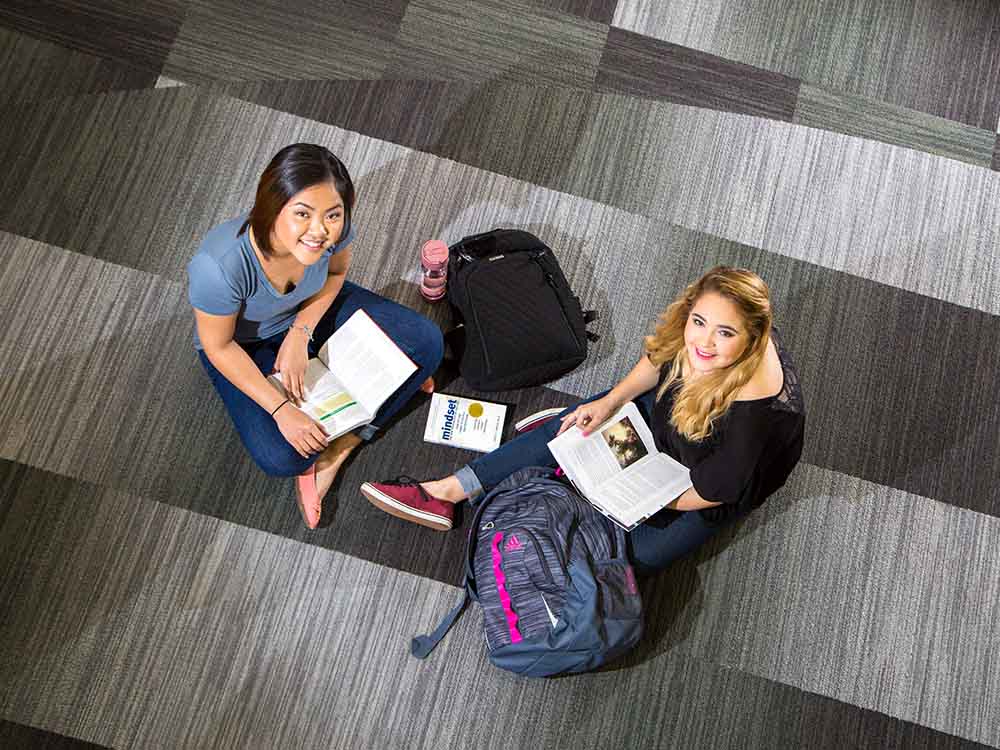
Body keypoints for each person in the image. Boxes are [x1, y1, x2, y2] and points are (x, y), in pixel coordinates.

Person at [360, 266, 804, 573]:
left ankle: (569, 485)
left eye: (724, 334)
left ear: (751, 339)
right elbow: (657, 360)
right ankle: (445, 493)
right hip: (662, 419)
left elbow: (711, 491)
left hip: (693, 483)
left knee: (625, 559)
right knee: (580, 424)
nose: (704, 342)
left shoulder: (755, 416)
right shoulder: (696, 336)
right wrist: (610, 402)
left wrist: (648, 496)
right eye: (699, 322)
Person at [188, 143, 443, 529]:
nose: (320, 231)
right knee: (282, 457)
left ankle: (340, 448)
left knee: (427, 341)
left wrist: (299, 333)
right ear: (272, 205)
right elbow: (217, 345)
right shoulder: (217, 267)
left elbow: (336, 275)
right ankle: (387, 388)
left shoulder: (332, 230)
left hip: (310, 312)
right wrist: (280, 409)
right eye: (302, 214)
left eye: (333, 215)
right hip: (243, 345)